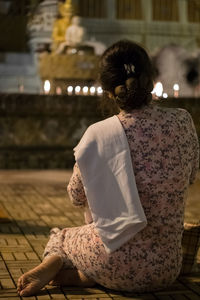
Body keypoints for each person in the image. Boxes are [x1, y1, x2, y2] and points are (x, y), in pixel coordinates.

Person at [17, 40, 199, 296]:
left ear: (109, 91)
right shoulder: (183, 122)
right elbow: (190, 175)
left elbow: (75, 195)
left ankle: (55, 265)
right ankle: (86, 276)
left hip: (113, 261)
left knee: (62, 236)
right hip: (167, 268)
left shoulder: (98, 135)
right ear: (151, 80)